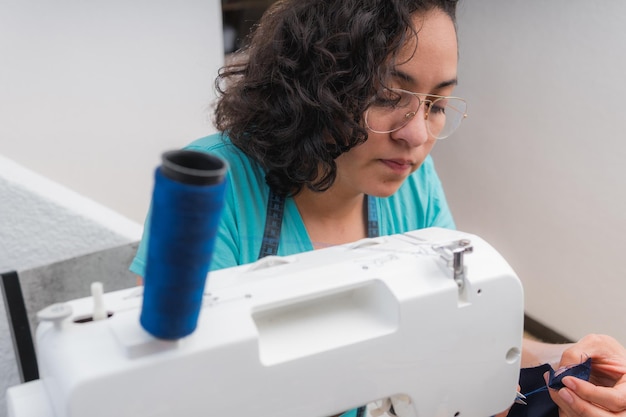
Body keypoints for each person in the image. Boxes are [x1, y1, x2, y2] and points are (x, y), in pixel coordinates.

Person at [130, 0, 626, 415]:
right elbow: (171, 385)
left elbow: (462, 325)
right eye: (388, 96)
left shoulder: (411, 182)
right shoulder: (211, 187)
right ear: (312, 85)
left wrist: (562, 359)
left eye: (435, 105)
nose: (416, 136)